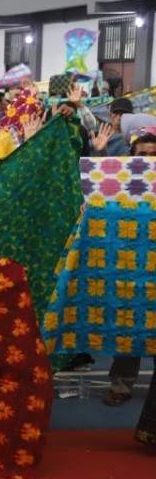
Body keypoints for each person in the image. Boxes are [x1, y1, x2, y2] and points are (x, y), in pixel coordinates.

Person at [100, 131, 156, 407]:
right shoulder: (119, 186)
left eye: (153, 155)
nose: (147, 160)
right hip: (129, 269)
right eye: (142, 155)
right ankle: (121, 384)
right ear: (131, 158)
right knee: (128, 326)